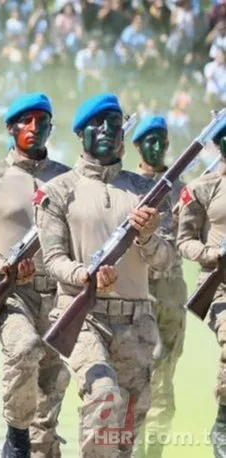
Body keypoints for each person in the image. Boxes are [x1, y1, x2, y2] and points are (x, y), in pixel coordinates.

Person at [35, 93, 171, 456]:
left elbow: (165, 261)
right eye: (98, 124)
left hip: (136, 321)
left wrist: (148, 236)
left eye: (114, 124)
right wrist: (84, 275)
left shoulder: (148, 192)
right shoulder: (58, 191)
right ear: (81, 133)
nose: (108, 130)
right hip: (83, 318)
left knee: (126, 427)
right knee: (103, 395)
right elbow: (53, 259)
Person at [0, 93, 72, 457]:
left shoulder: (66, 179)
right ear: (11, 128)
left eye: (43, 121)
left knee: (53, 379)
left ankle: (41, 443)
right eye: (26, 120)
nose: (35, 128)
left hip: (56, 293)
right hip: (8, 291)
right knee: (24, 349)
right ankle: (16, 438)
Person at [128, 115, 187, 457]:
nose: (157, 146)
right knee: (137, 371)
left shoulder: (181, 189)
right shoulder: (127, 185)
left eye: (161, 140)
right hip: (138, 290)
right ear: (137, 146)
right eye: (149, 140)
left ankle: (154, 450)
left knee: (165, 373)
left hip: (171, 291)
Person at [174, 116, 226, 458]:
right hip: (220, 286)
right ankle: (223, 422)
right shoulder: (202, 188)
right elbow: (184, 241)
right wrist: (212, 253)